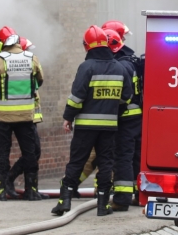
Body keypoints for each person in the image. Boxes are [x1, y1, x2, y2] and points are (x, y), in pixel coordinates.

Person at [51, 25, 133, 217]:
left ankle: (64, 201)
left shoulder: (86, 67)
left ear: (88, 46)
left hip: (86, 126)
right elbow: (126, 97)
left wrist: (68, 117)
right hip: (110, 126)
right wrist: (111, 106)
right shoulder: (119, 68)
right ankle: (103, 206)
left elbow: (77, 96)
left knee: (76, 162)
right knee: (106, 163)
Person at [0, 26, 43, 201]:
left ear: (1, 43)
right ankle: (32, 191)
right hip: (26, 116)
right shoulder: (32, 58)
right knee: (30, 153)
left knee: (3, 153)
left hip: (3, 117)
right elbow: (39, 81)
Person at [102, 20, 143, 210]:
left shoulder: (120, 66)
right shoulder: (132, 60)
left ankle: (121, 199)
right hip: (137, 117)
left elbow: (121, 95)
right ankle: (138, 194)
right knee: (135, 156)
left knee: (123, 157)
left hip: (125, 117)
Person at [5, 37, 46, 200]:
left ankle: (31, 188)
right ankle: (12, 180)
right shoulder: (21, 68)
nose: (29, 53)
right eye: (27, 49)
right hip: (24, 118)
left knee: (34, 152)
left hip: (31, 117)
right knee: (32, 152)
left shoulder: (27, 67)